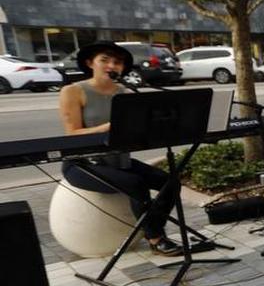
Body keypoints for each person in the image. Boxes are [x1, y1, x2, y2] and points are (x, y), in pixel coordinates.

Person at [58, 42, 181, 256]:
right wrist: (109, 128)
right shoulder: (73, 91)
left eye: (117, 62)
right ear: (90, 63)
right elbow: (72, 134)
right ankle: (155, 237)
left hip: (119, 161)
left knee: (171, 182)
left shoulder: (126, 93)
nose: (111, 65)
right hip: (83, 164)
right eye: (104, 60)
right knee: (135, 184)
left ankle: (152, 227)